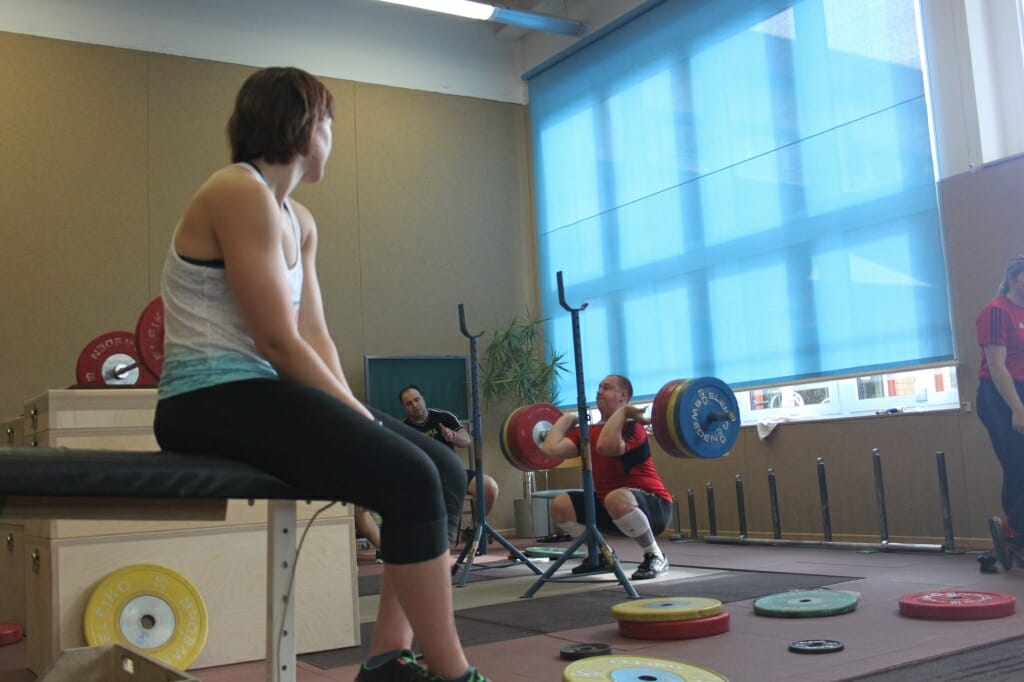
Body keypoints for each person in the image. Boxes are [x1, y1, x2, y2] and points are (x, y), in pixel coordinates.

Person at [152, 66, 488, 682]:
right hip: (204, 399)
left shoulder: (299, 220)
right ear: (306, 125)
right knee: (411, 473)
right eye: (330, 121)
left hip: (264, 393)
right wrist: (358, 419)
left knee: (440, 469)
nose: (333, 135)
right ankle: (452, 672)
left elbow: (315, 336)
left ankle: (389, 655)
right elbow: (276, 339)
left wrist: (360, 415)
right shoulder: (237, 191)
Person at [539, 374, 673, 580]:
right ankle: (602, 554)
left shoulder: (632, 426)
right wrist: (566, 419)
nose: (599, 391)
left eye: (607, 387)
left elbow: (606, 447)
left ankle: (655, 555)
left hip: (654, 506)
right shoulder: (589, 430)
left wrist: (624, 414)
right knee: (560, 505)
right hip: (611, 504)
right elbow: (550, 449)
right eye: (599, 387)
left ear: (623, 395)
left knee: (615, 497)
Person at [978, 254, 1024, 571]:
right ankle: (1018, 539)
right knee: (1018, 466)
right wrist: (1017, 409)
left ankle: (1010, 526)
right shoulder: (995, 312)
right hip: (1000, 394)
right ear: (1013, 279)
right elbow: (996, 366)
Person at [399, 385, 500, 519]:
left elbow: (466, 440)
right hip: (424, 481)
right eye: (409, 403)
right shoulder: (401, 429)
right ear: (404, 408)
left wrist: (453, 436)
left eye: (417, 399)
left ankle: (475, 529)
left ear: (423, 398)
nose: (415, 405)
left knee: (489, 487)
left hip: (454, 474)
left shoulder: (444, 417)